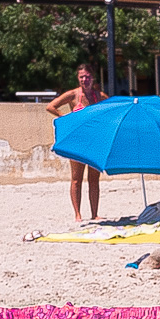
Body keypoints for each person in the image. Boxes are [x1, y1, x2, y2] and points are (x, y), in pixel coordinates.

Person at [46, 62, 109, 222]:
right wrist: (66, 117)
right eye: (82, 77)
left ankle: (94, 214)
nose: (84, 80)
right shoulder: (73, 95)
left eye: (87, 77)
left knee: (94, 179)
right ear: (78, 78)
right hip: (77, 142)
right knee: (76, 179)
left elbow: (110, 110)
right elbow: (51, 106)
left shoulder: (99, 96)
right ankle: (78, 214)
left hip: (94, 140)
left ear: (92, 78)